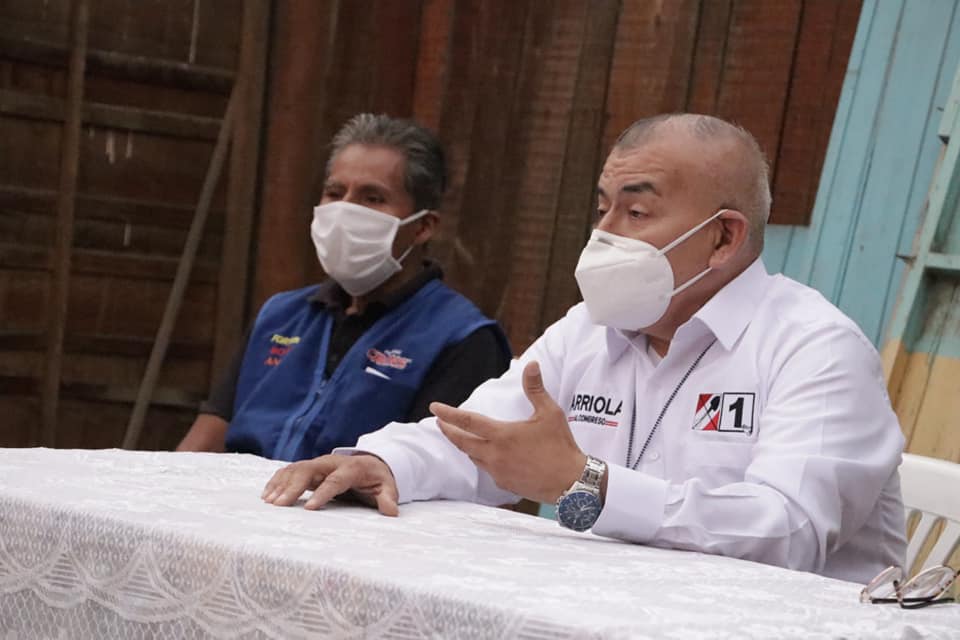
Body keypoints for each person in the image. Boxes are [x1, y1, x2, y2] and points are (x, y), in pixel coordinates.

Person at [260, 113, 906, 584]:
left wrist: (586, 484)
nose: (603, 235)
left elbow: (788, 533)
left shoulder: (816, 348)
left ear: (723, 238)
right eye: (602, 210)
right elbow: (479, 435)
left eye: (636, 213)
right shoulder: (590, 327)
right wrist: (382, 462)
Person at [177, 113, 512, 460]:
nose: (344, 211)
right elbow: (202, 443)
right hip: (244, 490)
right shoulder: (281, 316)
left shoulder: (462, 339)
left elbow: (434, 469)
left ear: (423, 226)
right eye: (334, 193)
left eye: (372, 198)